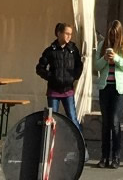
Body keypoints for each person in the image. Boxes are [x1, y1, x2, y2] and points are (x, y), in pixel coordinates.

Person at [36, 20, 87, 151]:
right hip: (53, 91)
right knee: (52, 120)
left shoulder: (73, 50)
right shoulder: (50, 51)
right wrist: (51, 77)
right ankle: (50, 148)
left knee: (73, 118)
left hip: (68, 90)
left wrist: (73, 77)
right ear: (59, 34)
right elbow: (40, 68)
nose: (69, 36)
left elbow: (79, 66)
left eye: (70, 34)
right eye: (66, 33)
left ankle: (81, 148)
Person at [96, 19, 123, 168]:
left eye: (115, 35)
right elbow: (97, 66)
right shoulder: (102, 46)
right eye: (111, 35)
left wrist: (117, 58)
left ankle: (116, 156)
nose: (113, 38)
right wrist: (105, 59)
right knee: (105, 122)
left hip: (120, 89)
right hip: (105, 87)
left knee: (114, 121)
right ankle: (104, 156)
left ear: (120, 34)